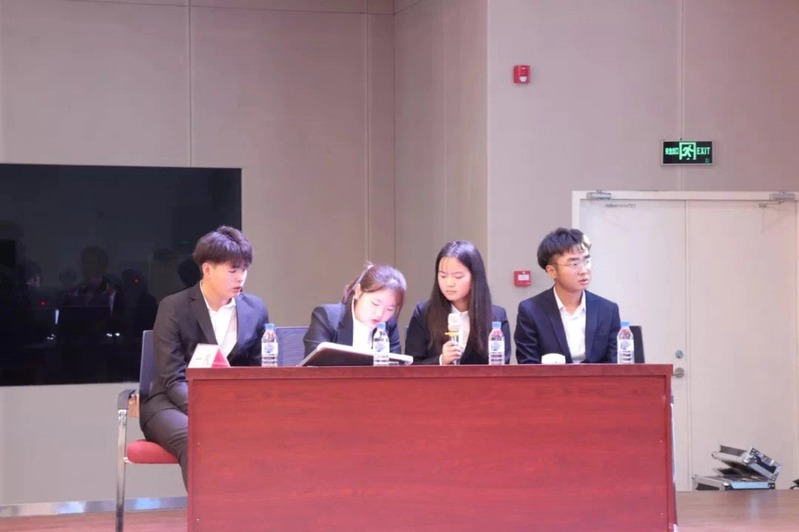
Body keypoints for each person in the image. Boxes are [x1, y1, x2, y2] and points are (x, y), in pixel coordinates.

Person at [139, 226, 269, 488]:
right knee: (197, 438)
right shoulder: (174, 307)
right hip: (170, 403)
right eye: (232, 270)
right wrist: (210, 411)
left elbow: (256, 369)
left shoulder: (255, 309)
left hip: (229, 403)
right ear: (207, 269)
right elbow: (173, 377)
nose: (240, 277)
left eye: (244, 269)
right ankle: (211, 512)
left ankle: (253, 507)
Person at [515, 227, 620, 364]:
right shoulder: (531, 311)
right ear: (552, 271)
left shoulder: (608, 310)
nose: (584, 270)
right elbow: (528, 365)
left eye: (587, 261)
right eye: (574, 264)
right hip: (550, 379)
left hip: (598, 379)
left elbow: (616, 365)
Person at [405, 240, 511, 365]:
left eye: (458, 276)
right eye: (443, 276)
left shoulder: (496, 316)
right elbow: (412, 364)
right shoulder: (424, 313)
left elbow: (502, 366)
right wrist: (441, 360)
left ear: (475, 277)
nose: (449, 283)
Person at [303, 263, 406, 356]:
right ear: (358, 292)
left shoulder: (389, 324)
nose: (380, 314)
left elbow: (394, 366)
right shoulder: (326, 317)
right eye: (375, 304)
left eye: (389, 309)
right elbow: (314, 366)